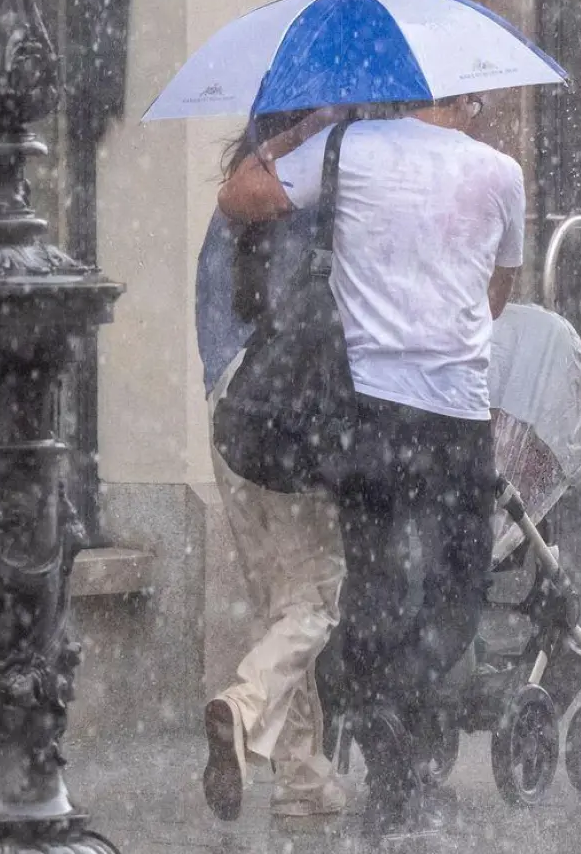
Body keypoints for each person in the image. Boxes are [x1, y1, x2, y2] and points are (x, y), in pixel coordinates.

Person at [218, 93, 524, 831]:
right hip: (453, 412)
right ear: (470, 96)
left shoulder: (347, 150)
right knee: (458, 586)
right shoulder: (500, 171)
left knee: (377, 583)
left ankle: (385, 736)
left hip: (367, 413)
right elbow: (498, 293)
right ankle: (402, 708)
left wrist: (308, 131)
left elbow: (240, 196)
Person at [197, 107, 355, 821]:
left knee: (279, 605)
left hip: (228, 416)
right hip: (293, 414)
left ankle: (301, 779)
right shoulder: (321, 203)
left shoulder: (230, 208)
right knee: (314, 601)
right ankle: (242, 702)